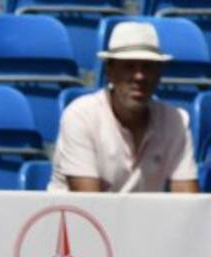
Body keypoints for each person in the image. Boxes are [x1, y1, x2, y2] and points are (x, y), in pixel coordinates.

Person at [50, 21, 198, 193]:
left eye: (147, 67)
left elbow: (188, 204)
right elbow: (88, 205)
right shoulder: (80, 116)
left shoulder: (176, 121)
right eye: (129, 66)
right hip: (74, 219)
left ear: (159, 74)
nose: (139, 76)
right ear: (109, 72)